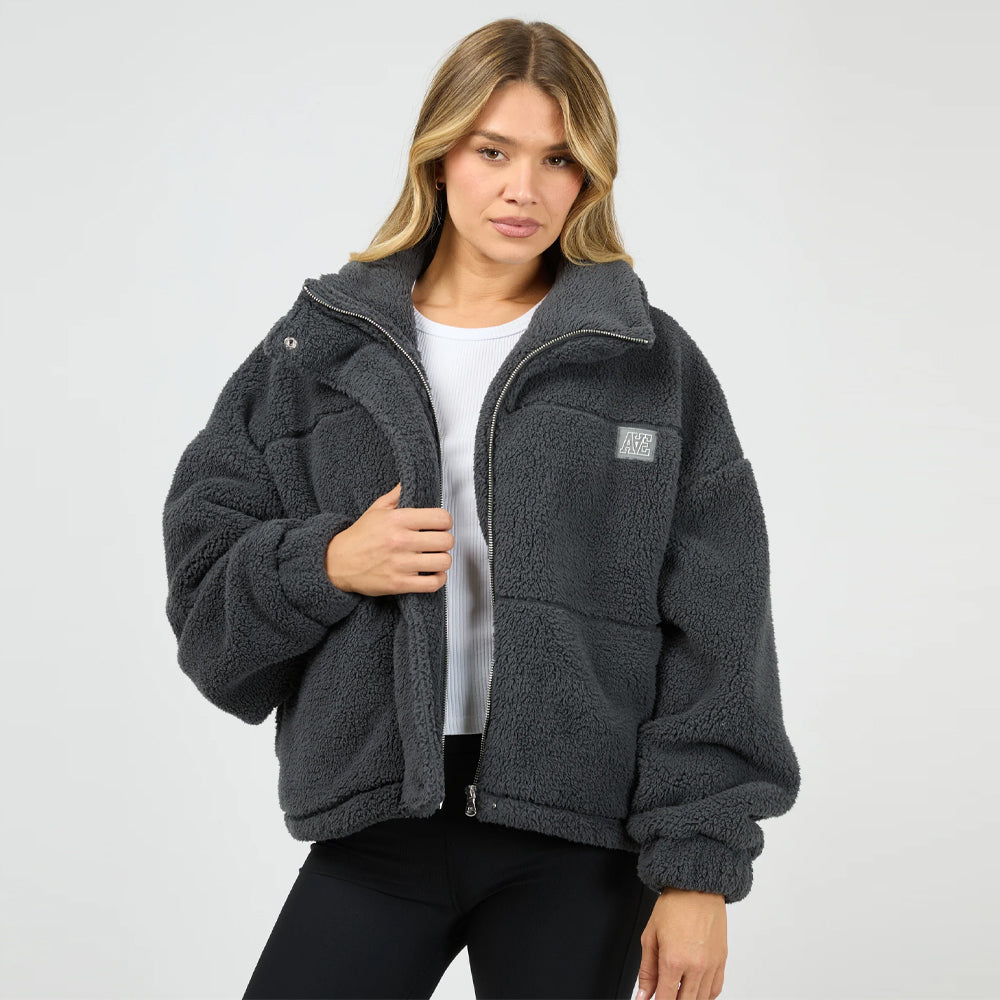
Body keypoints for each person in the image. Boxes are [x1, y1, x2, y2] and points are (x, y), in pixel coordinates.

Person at [161, 18, 801, 1000]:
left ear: (590, 178)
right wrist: (327, 562)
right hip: (378, 823)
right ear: (438, 154)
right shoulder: (320, 351)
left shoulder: (647, 364)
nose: (523, 188)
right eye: (492, 150)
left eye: (558, 159)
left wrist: (697, 870)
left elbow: (723, 628)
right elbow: (206, 592)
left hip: (581, 843)